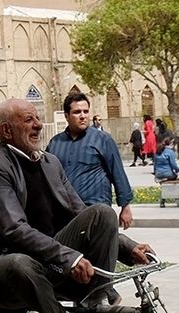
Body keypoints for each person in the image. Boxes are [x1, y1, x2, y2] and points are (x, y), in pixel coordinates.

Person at [0, 98, 154, 313]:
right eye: (28, 120)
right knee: (19, 262)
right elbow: (14, 230)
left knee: (102, 212)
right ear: (6, 131)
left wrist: (129, 248)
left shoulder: (50, 162)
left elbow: (80, 213)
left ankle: (95, 301)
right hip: (6, 273)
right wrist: (70, 258)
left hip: (49, 266)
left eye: (37, 118)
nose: (38, 125)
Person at [47, 92, 134, 231]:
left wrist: (125, 207)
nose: (83, 116)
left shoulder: (103, 140)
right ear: (66, 116)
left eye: (86, 111)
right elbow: (47, 178)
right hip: (65, 214)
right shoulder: (55, 143)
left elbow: (117, 173)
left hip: (97, 211)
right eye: (77, 112)